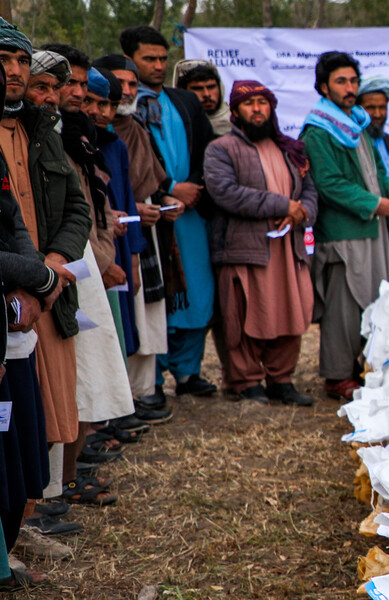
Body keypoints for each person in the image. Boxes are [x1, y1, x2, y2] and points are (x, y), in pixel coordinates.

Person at [1, 29, 97, 509]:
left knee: (45, 409)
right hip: (8, 297)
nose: (15, 70)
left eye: (22, 59)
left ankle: (32, 516)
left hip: (50, 292)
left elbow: (78, 210)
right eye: (5, 59)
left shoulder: (41, 129)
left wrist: (54, 266)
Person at [41, 50, 138, 500]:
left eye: (82, 84)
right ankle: (52, 488)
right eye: (68, 84)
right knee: (63, 379)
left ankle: (69, 476)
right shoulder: (47, 135)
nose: (78, 93)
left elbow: (84, 207)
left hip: (83, 265)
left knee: (88, 374)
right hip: (60, 266)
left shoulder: (76, 136)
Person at [122, 25, 219, 401]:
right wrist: (167, 190)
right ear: (130, 59)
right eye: (150, 59)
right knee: (159, 295)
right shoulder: (124, 106)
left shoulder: (185, 101)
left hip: (191, 215)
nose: (159, 66)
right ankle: (154, 379)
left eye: (163, 58)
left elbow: (206, 151)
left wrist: (192, 188)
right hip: (152, 217)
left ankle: (188, 371)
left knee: (198, 293)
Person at [204, 81, 316, 405]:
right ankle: (247, 381)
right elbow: (224, 192)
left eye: (263, 102)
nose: (257, 109)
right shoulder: (221, 148)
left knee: (290, 312)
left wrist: (301, 212)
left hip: (287, 248)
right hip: (245, 248)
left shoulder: (291, 148)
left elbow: (310, 190)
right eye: (249, 103)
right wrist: (283, 205)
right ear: (236, 111)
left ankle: (281, 380)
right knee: (245, 315)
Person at [299, 51, 389, 400]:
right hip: (344, 233)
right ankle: (337, 375)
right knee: (344, 306)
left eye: (353, 81)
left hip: (373, 228)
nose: (350, 88)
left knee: (373, 301)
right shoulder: (318, 130)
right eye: (341, 81)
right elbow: (328, 184)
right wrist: (374, 203)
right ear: (324, 87)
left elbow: (377, 163)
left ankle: (364, 368)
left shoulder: (356, 121)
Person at [92, 62, 173, 425]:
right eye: (115, 88)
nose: (122, 95)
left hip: (134, 238)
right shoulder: (86, 140)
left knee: (135, 316)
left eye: (130, 85)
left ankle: (137, 396)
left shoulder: (126, 137)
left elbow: (141, 184)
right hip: (97, 245)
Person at [357, 74, 389, 251]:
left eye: (382, 108)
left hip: (388, 227)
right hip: (362, 230)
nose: (377, 114)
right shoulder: (352, 142)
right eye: (371, 108)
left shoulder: (388, 142)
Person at [172, 59, 230, 137]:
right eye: (197, 88)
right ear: (183, 92)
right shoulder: (173, 124)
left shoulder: (237, 121)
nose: (206, 94)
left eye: (211, 87)